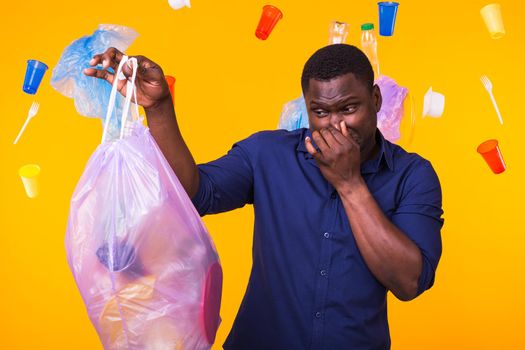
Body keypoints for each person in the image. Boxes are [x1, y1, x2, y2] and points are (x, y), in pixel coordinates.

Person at [85, 43, 444, 350]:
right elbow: (193, 195)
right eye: (321, 112)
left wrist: (350, 184)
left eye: (349, 108)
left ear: (376, 99)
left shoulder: (413, 175)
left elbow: (409, 282)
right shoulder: (267, 154)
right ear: (308, 106)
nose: (336, 125)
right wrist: (160, 107)